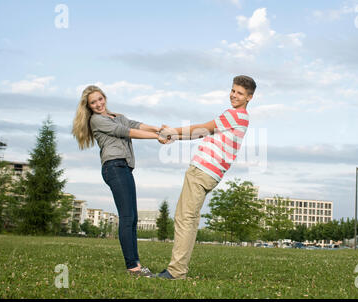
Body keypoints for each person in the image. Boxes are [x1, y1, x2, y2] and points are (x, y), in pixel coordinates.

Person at [157, 75, 256, 279]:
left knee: (185, 218)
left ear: (249, 97)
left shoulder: (236, 115)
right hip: (206, 172)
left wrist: (171, 131)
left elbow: (203, 127)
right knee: (188, 219)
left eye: (239, 93)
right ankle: (178, 269)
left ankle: (176, 272)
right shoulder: (236, 117)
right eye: (233, 90)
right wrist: (174, 136)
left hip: (202, 170)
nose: (234, 95)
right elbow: (202, 133)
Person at [72, 85, 169, 277]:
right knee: (126, 217)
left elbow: (134, 124)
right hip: (113, 167)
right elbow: (126, 132)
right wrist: (157, 136)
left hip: (124, 167)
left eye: (100, 99)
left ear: (104, 98)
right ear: (89, 106)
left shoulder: (116, 116)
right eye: (93, 102)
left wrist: (157, 128)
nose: (98, 104)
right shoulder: (97, 120)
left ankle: (137, 265)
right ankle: (133, 267)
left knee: (132, 218)